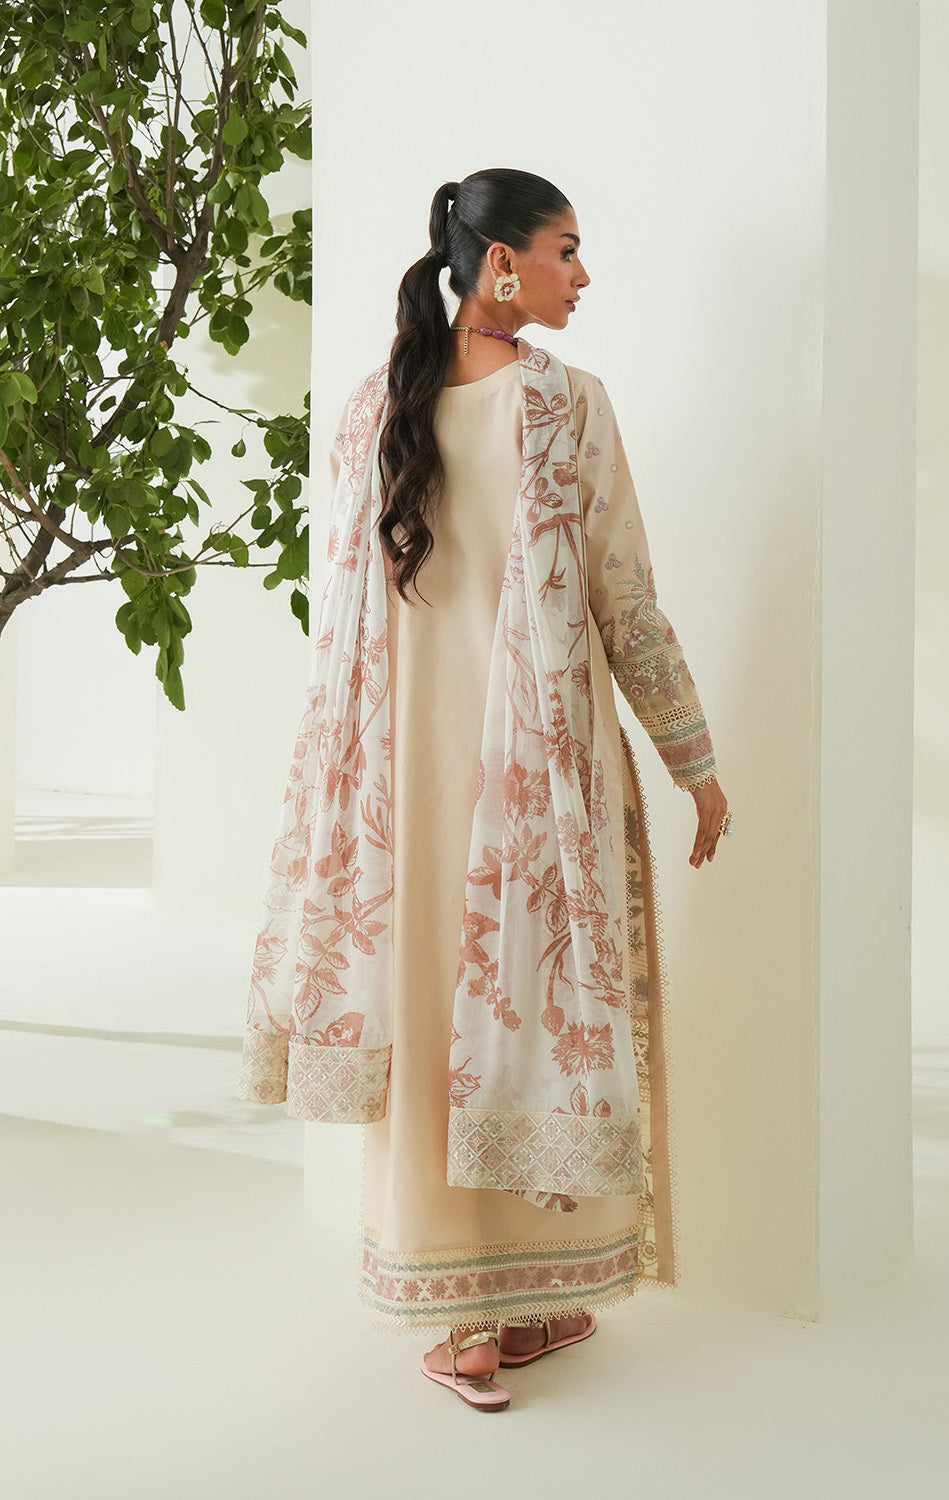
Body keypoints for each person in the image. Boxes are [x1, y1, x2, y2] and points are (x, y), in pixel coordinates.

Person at [238, 167, 730, 1412]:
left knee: (434, 1006)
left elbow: (349, 615)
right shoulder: (564, 405)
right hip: (533, 773)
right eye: (565, 248)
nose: (582, 273)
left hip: (403, 779)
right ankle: (491, 1306)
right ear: (501, 264)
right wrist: (693, 762)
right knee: (522, 1009)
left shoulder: (373, 405)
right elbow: (625, 602)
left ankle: (482, 1310)